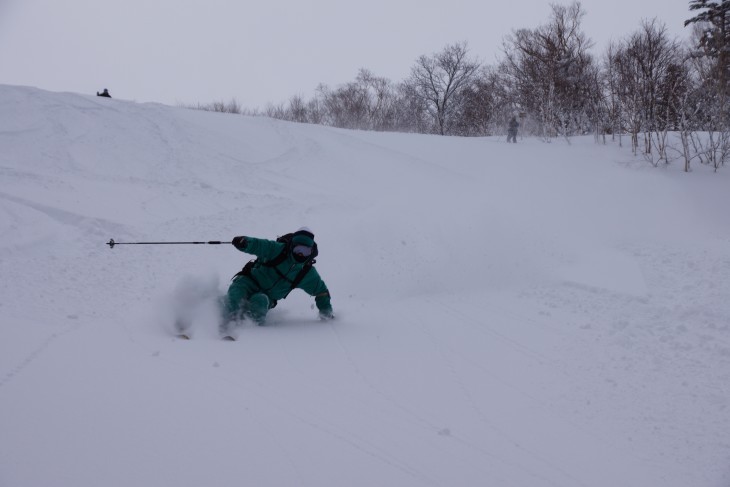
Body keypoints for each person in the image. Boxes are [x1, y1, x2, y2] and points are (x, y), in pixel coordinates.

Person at [222, 227, 333, 330]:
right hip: (249, 281)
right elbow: (258, 245)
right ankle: (227, 322)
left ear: (311, 251)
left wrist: (326, 313)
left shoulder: (306, 272)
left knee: (260, 301)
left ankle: (249, 330)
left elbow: (321, 292)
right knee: (236, 293)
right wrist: (244, 242)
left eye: (305, 251)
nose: (300, 254)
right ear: (292, 246)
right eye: (298, 249)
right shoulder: (277, 249)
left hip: (268, 297)